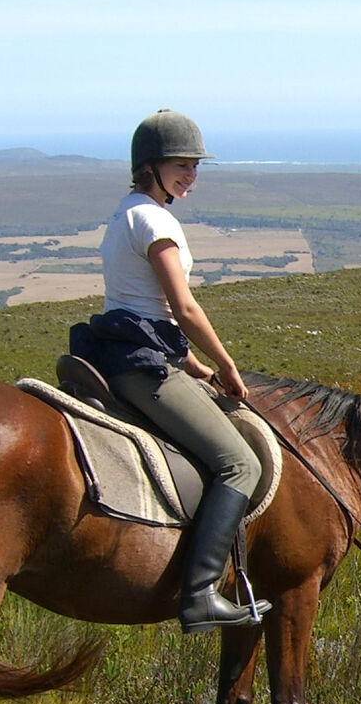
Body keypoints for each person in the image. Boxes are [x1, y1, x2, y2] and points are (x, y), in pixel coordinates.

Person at [73, 108, 269, 633]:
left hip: (131, 352)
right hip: (145, 368)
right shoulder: (156, 221)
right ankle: (202, 592)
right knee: (240, 465)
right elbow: (181, 309)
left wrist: (197, 367)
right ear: (149, 167)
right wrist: (227, 365)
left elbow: (141, 311)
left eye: (195, 165)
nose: (191, 174)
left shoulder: (125, 213)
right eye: (180, 164)